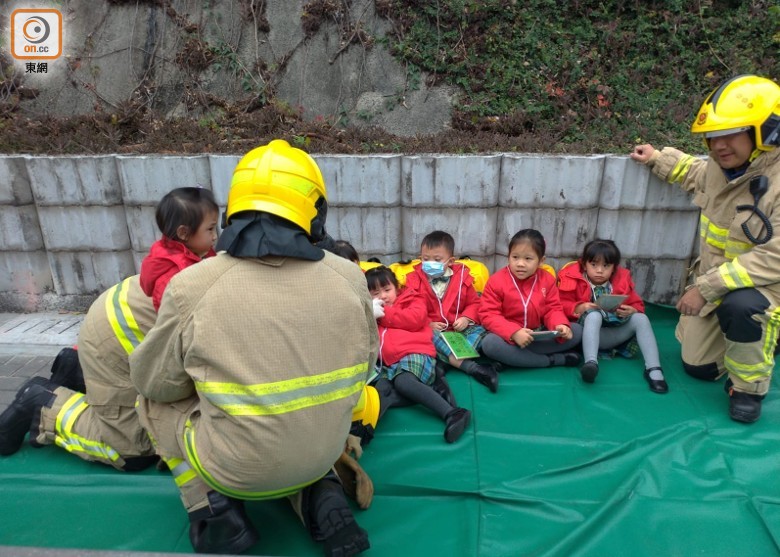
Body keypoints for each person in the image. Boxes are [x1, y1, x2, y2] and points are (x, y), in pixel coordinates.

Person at [129, 139, 378, 556]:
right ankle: (320, 486)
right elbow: (367, 364)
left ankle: (214, 507)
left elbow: (155, 383)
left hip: (236, 471)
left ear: (234, 210)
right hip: (324, 451)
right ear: (314, 212)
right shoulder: (350, 278)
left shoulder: (194, 285)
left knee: (150, 402)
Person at [630, 75, 780, 422]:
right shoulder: (721, 166)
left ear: (767, 131)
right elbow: (694, 172)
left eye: (730, 135)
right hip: (719, 286)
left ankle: (748, 390)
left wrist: (705, 287)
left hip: (764, 289)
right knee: (698, 367)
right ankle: (755, 337)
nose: (718, 146)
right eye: (712, 137)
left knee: (744, 308)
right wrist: (657, 158)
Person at [0, 274, 159, 472]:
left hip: (116, 330)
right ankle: (42, 402)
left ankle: (76, 370)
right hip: (114, 342)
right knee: (133, 451)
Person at [366, 266, 471, 443]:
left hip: (416, 353)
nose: (383, 296)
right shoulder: (370, 313)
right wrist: (368, 315)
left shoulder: (411, 299)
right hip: (388, 364)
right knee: (380, 391)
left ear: (397, 288)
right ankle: (363, 430)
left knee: (404, 381)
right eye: (375, 293)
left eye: (387, 290)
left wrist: (383, 314)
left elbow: (414, 319)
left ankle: (453, 413)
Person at [557, 239, 668, 392]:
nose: (600, 271)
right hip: (584, 335)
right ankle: (591, 364)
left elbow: (637, 303)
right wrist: (578, 307)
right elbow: (558, 305)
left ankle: (654, 370)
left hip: (611, 334)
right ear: (584, 264)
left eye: (606, 266)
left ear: (614, 268)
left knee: (641, 319)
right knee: (594, 315)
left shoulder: (621, 280)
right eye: (594, 265)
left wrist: (633, 310)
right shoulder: (572, 278)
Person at [403, 230, 499, 393]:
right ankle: (473, 367)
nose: (430, 263)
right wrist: (428, 323)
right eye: (425, 259)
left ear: (450, 261)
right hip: (434, 332)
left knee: (483, 331)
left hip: (460, 331)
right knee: (425, 335)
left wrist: (466, 318)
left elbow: (475, 303)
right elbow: (408, 308)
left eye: (437, 259)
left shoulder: (463, 278)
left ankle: (445, 362)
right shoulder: (413, 280)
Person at [480, 229, 583, 369]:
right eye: (515, 257)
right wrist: (514, 332)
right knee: (489, 344)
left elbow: (553, 309)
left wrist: (560, 325)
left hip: (538, 335)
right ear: (508, 257)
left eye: (528, 259)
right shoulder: (496, 281)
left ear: (541, 261)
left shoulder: (547, 279)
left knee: (576, 330)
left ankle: (516, 359)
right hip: (509, 338)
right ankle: (552, 360)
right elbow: (489, 315)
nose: (520, 264)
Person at [140, 187, 219, 312]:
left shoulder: (196, 250)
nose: (215, 236)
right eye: (210, 229)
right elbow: (173, 318)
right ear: (183, 233)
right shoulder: (174, 278)